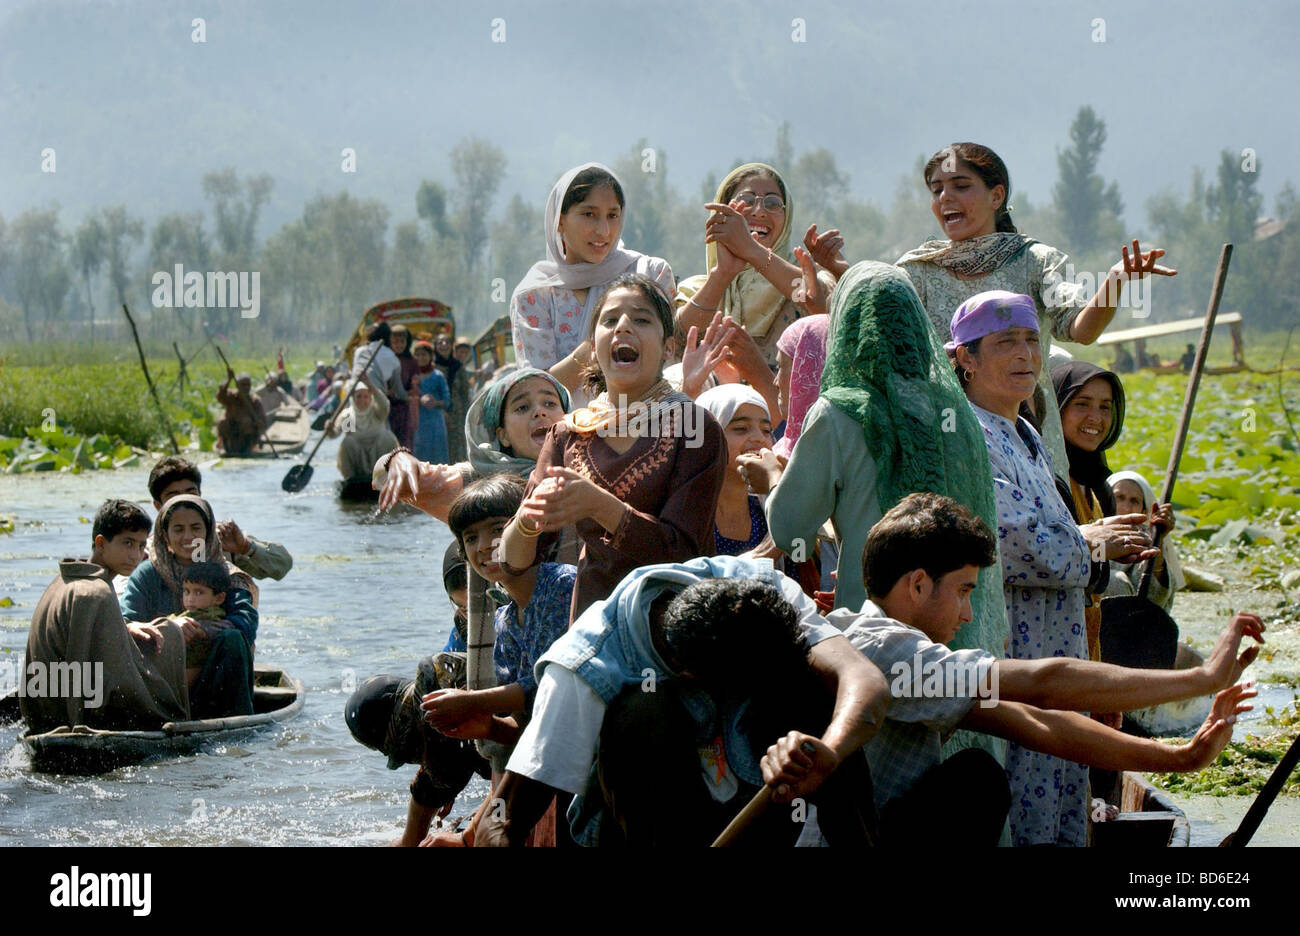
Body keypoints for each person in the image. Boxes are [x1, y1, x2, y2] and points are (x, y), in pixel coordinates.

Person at [812, 492, 1262, 847]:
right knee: (976, 781)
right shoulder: (888, 649)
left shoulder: (879, 642)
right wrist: (1198, 680)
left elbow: (1035, 722)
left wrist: (1181, 758)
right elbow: (1042, 684)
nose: (968, 615)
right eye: (964, 591)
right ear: (917, 584)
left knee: (976, 772)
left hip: (871, 827)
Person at [474, 556, 890, 847]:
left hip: (762, 802)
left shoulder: (765, 593)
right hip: (655, 822)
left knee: (817, 700)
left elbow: (866, 683)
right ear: (689, 674)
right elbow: (504, 815)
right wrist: (492, 836)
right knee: (640, 713)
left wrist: (826, 753)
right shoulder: (582, 667)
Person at [949, 292, 1159, 845]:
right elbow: (1011, 542)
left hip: (1057, 639)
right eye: (1004, 343)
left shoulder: (1025, 433)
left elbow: (1051, 535)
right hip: (1014, 643)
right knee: (1026, 788)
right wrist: (1090, 544)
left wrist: (1099, 544)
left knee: (1063, 782)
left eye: (1030, 340)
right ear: (965, 358)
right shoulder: (970, 435)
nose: (1024, 354)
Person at [896, 142, 1176, 484]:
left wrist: (1114, 283)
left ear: (996, 196)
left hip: (1026, 431)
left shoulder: (1034, 261)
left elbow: (1080, 329)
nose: (945, 198)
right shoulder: (917, 271)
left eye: (961, 186)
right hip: (946, 435)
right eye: (937, 190)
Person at [500, 273, 728, 624]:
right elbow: (513, 562)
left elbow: (683, 553)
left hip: (674, 630)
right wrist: (528, 522)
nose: (623, 326)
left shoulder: (694, 427)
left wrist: (600, 505)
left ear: (668, 348)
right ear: (593, 348)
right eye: (610, 320)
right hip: (594, 627)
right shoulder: (569, 432)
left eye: (640, 318)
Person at [509, 163, 675, 400]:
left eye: (613, 215)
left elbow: (669, 358)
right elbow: (539, 392)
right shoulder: (535, 295)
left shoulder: (648, 274)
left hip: (645, 427)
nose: (604, 230)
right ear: (559, 220)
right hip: (568, 434)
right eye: (589, 214)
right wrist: (600, 340)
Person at [21, 500, 189, 734]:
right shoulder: (95, 592)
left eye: (141, 546)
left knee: (165, 629)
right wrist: (166, 712)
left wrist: (125, 629)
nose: (135, 555)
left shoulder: (65, 580)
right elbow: (82, 666)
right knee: (170, 634)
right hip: (66, 715)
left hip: (44, 710)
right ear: (101, 543)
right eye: (127, 543)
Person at [674, 162, 836, 370]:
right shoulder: (696, 289)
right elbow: (675, 340)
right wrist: (722, 274)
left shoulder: (806, 277)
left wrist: (752, 251)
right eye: (746, 201)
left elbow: (819, 301)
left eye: (773, 203)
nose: (759, 212)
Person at [119, 494, 257, 718]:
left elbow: (246, 623)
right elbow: (126, 621)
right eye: (178, 529)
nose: (188, 537)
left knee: (232, 639)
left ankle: (236, 723)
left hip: (215, 682)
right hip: (162, 683)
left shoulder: (226, 575)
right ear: (165, 536)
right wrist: (169, 626)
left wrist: (203, 628)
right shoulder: (147, 575)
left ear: (208, 532)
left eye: (196, 528)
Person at [376, 367, 572, 524]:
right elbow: (380, 477)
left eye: (549, 403)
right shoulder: (476, 478)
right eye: (522, 407)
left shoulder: (588, 466)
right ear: (503, 435)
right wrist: (397, 459)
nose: (539, 412)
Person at [345, 659, 490, 847]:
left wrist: (466, 838)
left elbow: (514, 782)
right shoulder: (439, 747)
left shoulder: (453, 702)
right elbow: (410, 839)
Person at [1052, 359, 1134, 659]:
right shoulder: (1048, 478)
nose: (1095, 418)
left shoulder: (1099, 486)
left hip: (1089, 635)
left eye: (1105, 407)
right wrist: (1102, 548)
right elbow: (1055, 560)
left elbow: (1093, 563)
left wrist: (1120, 549)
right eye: (1082, 404)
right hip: (1052, 638)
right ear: (1057, 407)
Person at [148, 456, 294, 581]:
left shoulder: (221, 538)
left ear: (200, 495)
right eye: (174, 496)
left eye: (191, 493)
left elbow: (282, 566)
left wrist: (245, 547)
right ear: (158, 505)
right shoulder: (148, 549)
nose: (185, 502)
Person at [694, 385, 776, 557]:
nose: (759, 438)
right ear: (707, 437)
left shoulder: (769, 513)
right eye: (741, 428)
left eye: (766, 430)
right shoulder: (687, 515)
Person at [1106, 469, 1184, 610]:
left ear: (1143, 511)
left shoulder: (1145, 541)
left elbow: (1154, 598)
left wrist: (1157, 539)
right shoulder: (1090, 533)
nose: (1126, 507)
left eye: (1134, 501)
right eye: (1119, 497)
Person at [329, 373, 398, 487]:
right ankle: (351, 478)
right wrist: (330, 429)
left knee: (388, 437)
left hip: (378, 450)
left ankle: (386, 476)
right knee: (348, 442)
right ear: (353, 398)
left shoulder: (377, 412)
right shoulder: (348, 416)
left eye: (366, 397)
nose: (362, 400)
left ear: (371, 398)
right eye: (359, 396)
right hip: (358, 457)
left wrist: (370, 386)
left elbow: (384, 405)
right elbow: (336, 434)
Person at [352, 322, 408, 425]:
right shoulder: (393, 358)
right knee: (381, 433)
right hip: (375, 402)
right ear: (389, 337)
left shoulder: (359, 351)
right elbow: (399, 392)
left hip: (353, 399)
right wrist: (408, 397)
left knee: (349, 433)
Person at [410, 340, 451, 465]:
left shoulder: (438, 376)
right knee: (420, 455)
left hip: (436, 423)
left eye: (424, 355)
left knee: (439, 456)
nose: (421, 358)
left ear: (430, 356)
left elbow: (447, 400)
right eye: (418, 355)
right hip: (418, 422)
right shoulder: (412, 376)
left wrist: (436, 403)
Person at [435, 333, 471, 462]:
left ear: (451, 347)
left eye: (447, 342)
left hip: (457, 415)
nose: (444, 345)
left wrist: (468, 416)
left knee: (457, 449)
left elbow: (465, 393)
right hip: (436, 414)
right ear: (435, 346)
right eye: (440, 342)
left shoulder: (458, 367)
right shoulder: (431, 367)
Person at [216, 369, 267, 456]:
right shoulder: (231, 396)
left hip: (248, 432)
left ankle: (248, 449)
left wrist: (259, 423)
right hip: (232, 428)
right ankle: (225, 447)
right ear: (237, 385)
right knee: (222, 423)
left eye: (248, 385)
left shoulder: (255, 400)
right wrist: (229, 380)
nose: (246, 387)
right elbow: (220, 396)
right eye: (243, 385)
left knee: (246, 422)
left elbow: (262, 420)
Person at [388, 324, 419, 449]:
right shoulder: (386, 359)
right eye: (395, 342)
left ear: (407, 342)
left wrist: (414, 386)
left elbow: (415, 385)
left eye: (402, 341)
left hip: (404, 407)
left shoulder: (412, 361)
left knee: (404, 443)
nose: (398, 345)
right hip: (387, 407)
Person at [441, 541, 469, 653]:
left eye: (478, 605)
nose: (472, 616)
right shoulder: (463, 627)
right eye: (464, 608)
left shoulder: (511, 614)